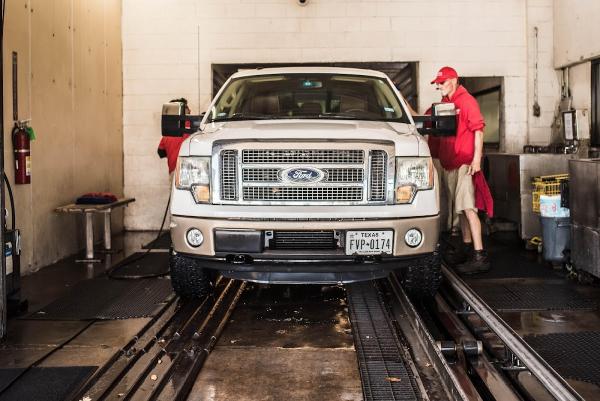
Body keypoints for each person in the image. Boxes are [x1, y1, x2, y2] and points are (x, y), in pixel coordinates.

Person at [428, 66, 491, 274]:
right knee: (461, 209)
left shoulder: (467, 101)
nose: (439, 86)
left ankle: (480, 256)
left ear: (453, 80)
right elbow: (423, 120)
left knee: (469, 208)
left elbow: (479, 131)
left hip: (465, 164)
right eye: (438, 83)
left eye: (442, 82)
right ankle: (465, 248)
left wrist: (476, 160)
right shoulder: (445, 104)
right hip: (450, 164)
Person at [157, 98, 191, 175]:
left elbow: (160, 152)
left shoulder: (168, 130)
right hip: (192, 171)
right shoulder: (194, 126)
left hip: (174, 172)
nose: (190, 110)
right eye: (187, 107)